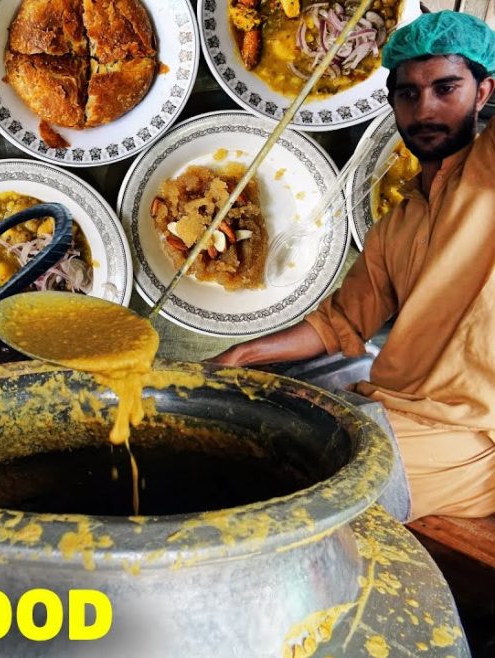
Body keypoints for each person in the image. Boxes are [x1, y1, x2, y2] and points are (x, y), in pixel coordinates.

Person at [212, 11, 495, 521]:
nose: (425, 109)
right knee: (225, 440)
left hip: (468, 441)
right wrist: (243, 353)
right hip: (387, 410)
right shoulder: (395, 225)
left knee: (265, 493)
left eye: (446, 88)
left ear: (483, 92)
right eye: (407, 93)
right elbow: (339, 324)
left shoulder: (487, 172)